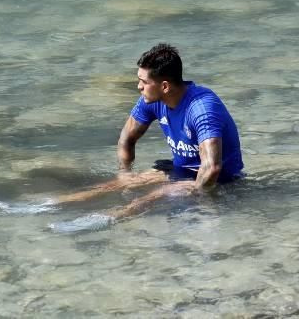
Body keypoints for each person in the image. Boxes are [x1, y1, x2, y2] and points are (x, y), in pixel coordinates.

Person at [40, 44, 243, 231]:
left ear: (164, 86)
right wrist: (124, 173)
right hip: (180, 169)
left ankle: (106, 219)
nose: (138, 86)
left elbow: (212, 167)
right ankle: (46, 206)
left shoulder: (201, 109)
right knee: (112, 185)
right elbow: (126, 138)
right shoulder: (151, 100)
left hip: (220, 179)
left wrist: (199, 199)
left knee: (148, 198)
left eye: (144, 82)